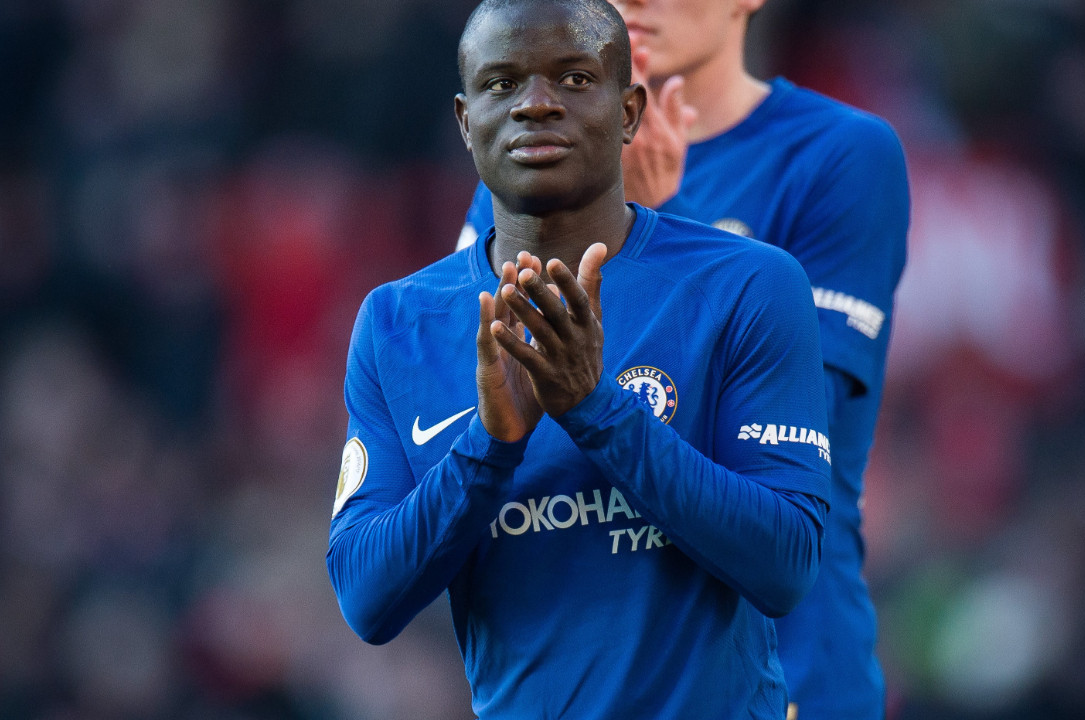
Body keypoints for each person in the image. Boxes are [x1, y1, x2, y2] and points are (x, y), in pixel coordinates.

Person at [327, 0, 834, 717]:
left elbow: (786, 565)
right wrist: (490, 446)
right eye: (501, 84)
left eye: (572, 78)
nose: (535, 104)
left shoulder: (747, 285)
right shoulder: (397, 323)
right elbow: (366, 600)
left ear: (629, 111)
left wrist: (597, 411)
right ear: (466, 123)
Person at [460, 1, 909, 717]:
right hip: (587, 669)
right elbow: (481, 405)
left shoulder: (837, 153)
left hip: (792, 664)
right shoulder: (527, 160)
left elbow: (790, 417)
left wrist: (649, 224)